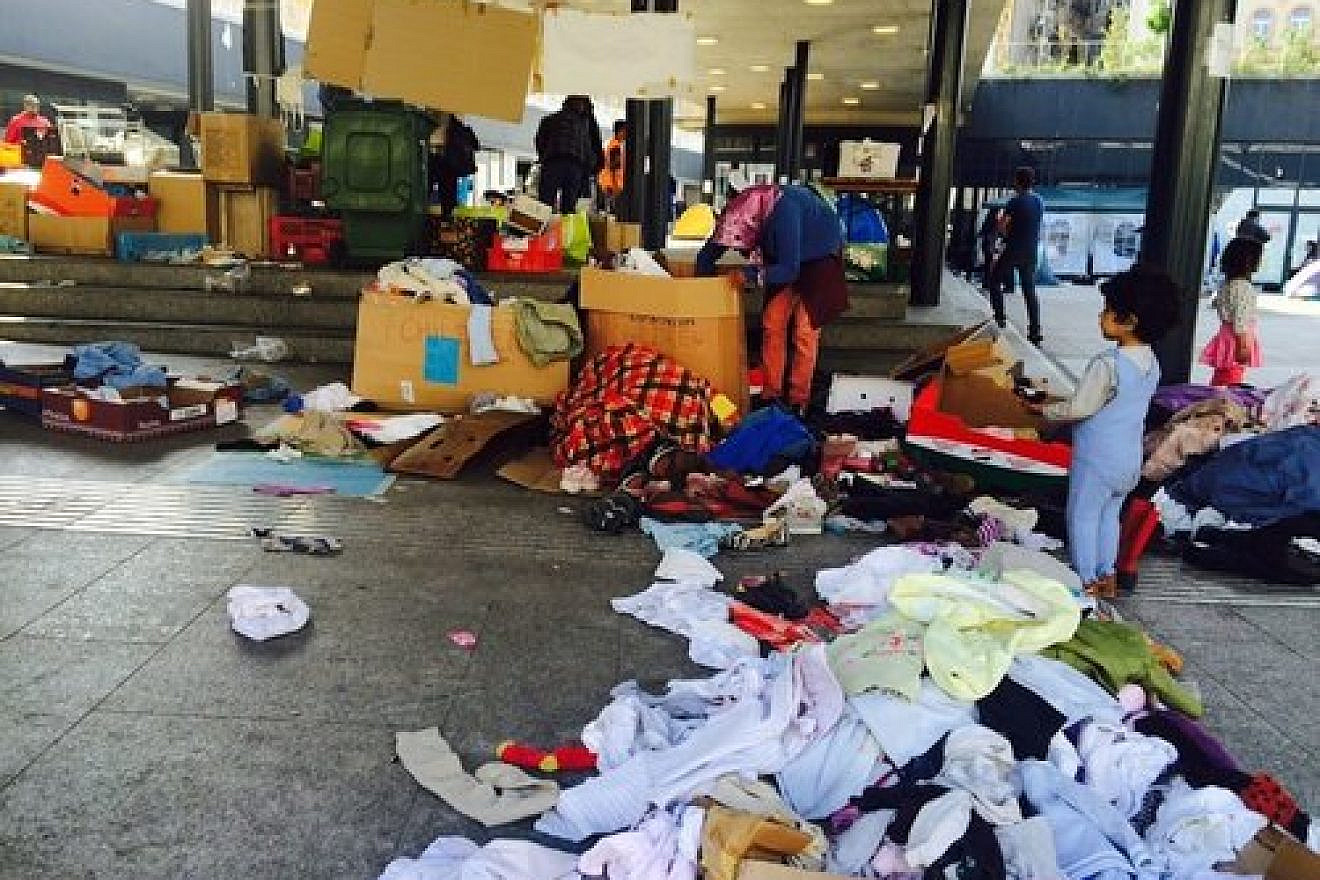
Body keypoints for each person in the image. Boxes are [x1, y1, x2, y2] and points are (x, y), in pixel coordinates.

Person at [1027, 264, 1180, 598]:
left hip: (1097, 459)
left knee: (1082, 516)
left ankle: (1085, 581)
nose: (1101, 317)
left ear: (1130, 321)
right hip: (1129, 459)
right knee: (1110, 516)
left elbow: (1079, 408)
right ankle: (1107, 576)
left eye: (1108, 311)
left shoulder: (1107, 364)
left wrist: (1043, 410)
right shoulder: (1152, 363)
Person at [694, 184, 848, 414]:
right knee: (772, 323)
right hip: (784, 257)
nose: (743, 250)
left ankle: (799, 399)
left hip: (819, 258)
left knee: (805, 331)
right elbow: (711, 252)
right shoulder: (740, 213)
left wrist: (750, 274)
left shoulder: (784, 212)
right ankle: (771, 394)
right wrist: (701, 287)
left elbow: (789, 269)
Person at [988, 166, 1045, 344]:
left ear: (1017, 181)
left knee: (994, 280)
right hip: (1031, 251)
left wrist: (1001, 234)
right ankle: (1035, 331)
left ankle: (999, 317)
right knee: (1029, 290)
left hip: (1013, 249)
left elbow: (1003, 225)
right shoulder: (1039, 201)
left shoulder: (1015, 202)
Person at [1199, 236, 1265, 387]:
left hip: (1227, 336)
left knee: (1223, 376)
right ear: (1248, 261)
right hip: (1236, 340)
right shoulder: (1243, 287)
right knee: (1230, 381)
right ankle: (1218, 405)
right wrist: (1243, 346)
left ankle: (1215, 399)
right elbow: (1240, 320)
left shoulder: (1228, 284)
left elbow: (1218, 305)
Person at [534, 95, 603, 214]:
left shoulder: (550, 119)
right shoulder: (587, 124)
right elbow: (594, 147)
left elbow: (540, 141)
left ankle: (544, 229)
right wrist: (593, 169)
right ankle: (566, 230)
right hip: (575, 166)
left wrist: (544, 157)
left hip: (552, 163)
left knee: (544, 204)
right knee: (569, 207)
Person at [426, 114, 479, 220]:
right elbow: (476, 145)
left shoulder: (458, 128)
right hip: (446, 162)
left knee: (432, 190)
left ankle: (445, 216)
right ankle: (446, 216)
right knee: (445, 193)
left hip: (443, 160)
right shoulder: (460, 129)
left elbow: (476, 145)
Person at [597, 120, 626, 209]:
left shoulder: (611, 144)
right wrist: (616, 186)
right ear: (620, 131)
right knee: (612, 210)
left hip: (607, 182)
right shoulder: (615, 146)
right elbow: (614, 166)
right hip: (610, 183)